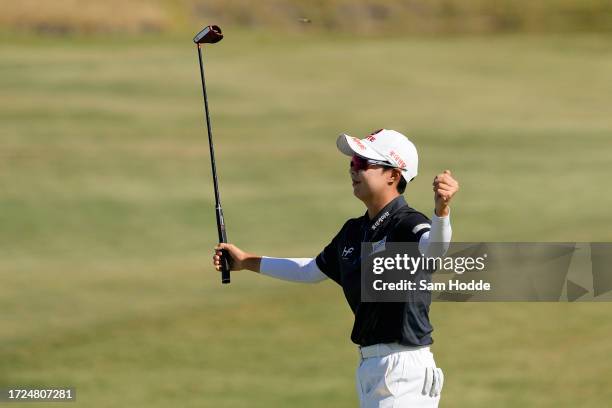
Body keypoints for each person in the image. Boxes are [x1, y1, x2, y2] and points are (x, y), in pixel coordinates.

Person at [213, 129, 459, 408]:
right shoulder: (354, 231)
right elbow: (310, 271)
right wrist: (245, 262)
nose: (353, 170)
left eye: (363, 164)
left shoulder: (407, 223)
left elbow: (434, 251)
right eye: (352, 163)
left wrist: (442, 214)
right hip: (371, 367)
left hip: (404, 368)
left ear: (393, 175)